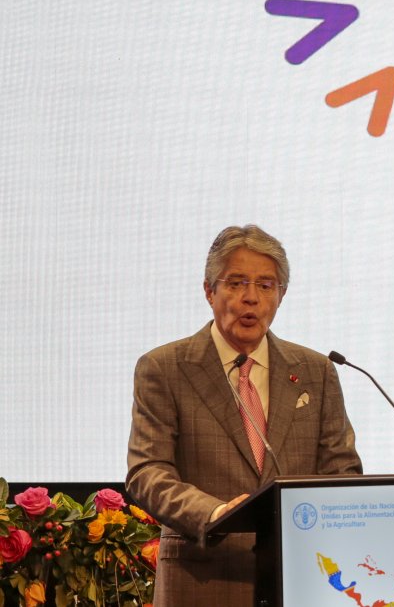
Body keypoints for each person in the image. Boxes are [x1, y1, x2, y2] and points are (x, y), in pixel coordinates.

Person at [126, 225, 362, 606]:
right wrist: (215, 512)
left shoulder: (316, 371)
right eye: (236, 283)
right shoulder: (165, 368)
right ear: (209, 291)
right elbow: (147, 473)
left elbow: (343, 471)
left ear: (281, 295)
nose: (251, 298)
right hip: (202, 578)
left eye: (266, 285)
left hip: (299, 580)